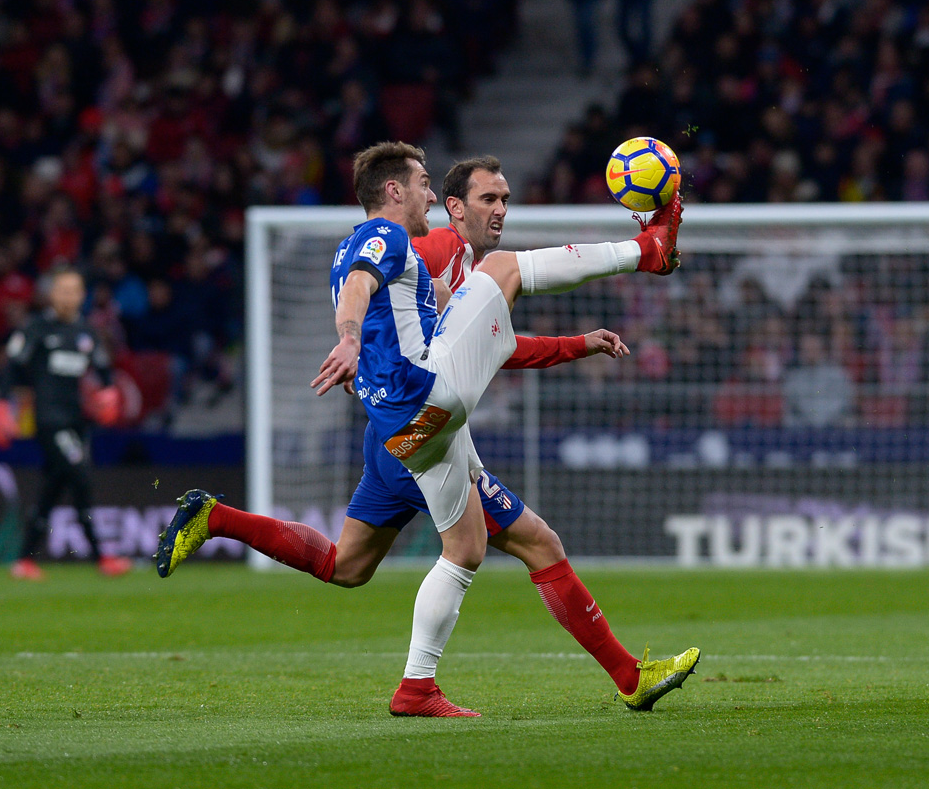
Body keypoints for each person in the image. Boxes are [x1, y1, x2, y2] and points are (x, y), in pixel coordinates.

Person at [157, 141, 695, 716]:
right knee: (505, 269)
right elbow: (366, 287)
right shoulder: (391, 238)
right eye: (424, 184)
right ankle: (648, 250)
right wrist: (348, 338)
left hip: (405, 428)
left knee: (367, 564)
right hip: (427, 405)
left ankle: (217, 518)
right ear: (395, 191)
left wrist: (572, 344)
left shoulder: (393, 260)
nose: (431, 196)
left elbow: (475, 338)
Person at [0, 266, 130, 580]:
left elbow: (105, 373)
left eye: (75, 290)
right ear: (52, 294)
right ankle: (101, 556)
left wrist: (110, 396)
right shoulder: (36, 328)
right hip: (50, 420)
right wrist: (2, 406)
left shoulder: (87, 332)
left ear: (82, 295)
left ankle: (23, 561)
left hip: (77, 421)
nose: (69, 296)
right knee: (80, 475)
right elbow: (12, 368)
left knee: (54, 488)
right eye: (63, 290)